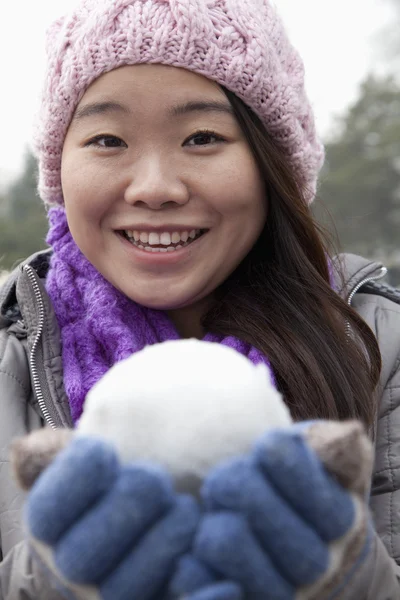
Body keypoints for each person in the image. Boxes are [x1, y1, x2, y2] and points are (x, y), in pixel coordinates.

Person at [0, 0, 400, 598]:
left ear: (274, 165)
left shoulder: (381, 345)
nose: (155, 187)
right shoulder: (9, 360)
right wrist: (54, 578)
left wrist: (345, 573)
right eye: (108, 139)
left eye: (203, 137)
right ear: (60, 165)